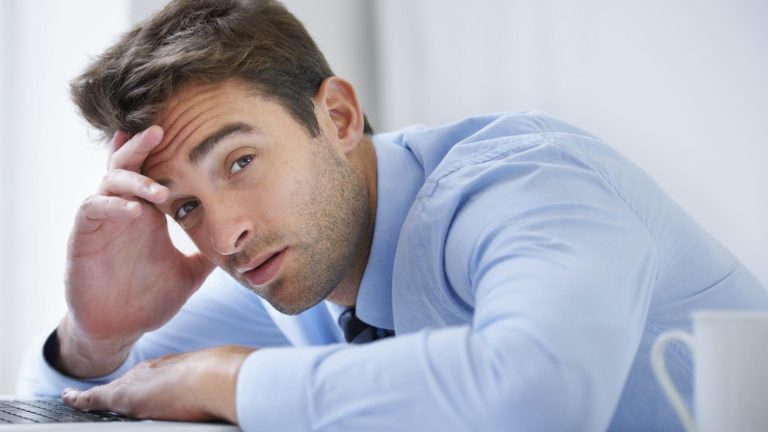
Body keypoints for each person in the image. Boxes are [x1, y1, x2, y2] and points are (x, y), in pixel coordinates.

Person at [19, 0, 768, 430]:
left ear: (339, 117)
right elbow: (59, 408)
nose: (223, 235)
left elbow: (543, 391)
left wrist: (231, 381)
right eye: (186, 206)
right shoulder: (287, 270)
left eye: (240, 162)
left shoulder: (527, 182)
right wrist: (95, 340)